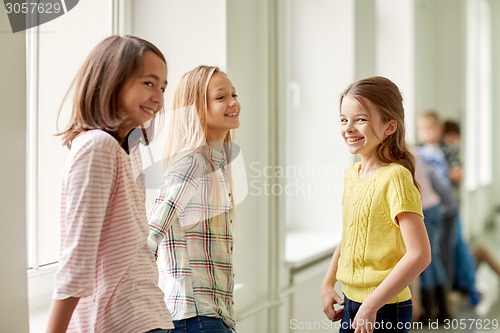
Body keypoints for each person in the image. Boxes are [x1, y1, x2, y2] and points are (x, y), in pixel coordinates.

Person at [46, 35, 173, 333]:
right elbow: (80, 259)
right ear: (111, 80)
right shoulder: (104, 148)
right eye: (149, 83)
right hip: (139, 318)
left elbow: (78, 259)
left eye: (163, 87)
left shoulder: (117, 149)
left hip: (126, 319)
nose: (159, 97)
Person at [321, 76, 431, 333]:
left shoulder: (396, 177)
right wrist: (327, 284)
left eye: (360, 119)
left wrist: (371, 304)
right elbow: (350, 236)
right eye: (343, 119)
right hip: (351, 302)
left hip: (385, 308)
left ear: (389, 127)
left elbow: (420, 254)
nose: (348, 127)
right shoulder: (352, 174)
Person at [147, 65, 240, 333]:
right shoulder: (192, 164)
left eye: (234, 94)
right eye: (221, 97)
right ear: (197, 106)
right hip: (195, 319)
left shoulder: (214, 163)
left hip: (209, 317)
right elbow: (152, 233)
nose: (233, 102)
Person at [413, 153, 451, 322]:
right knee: (433, 257)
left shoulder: (396, 154)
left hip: (424, 209)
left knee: (425, 260)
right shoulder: (412, 150)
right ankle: (443, 311)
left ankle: (429, 312)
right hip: (433, 206)